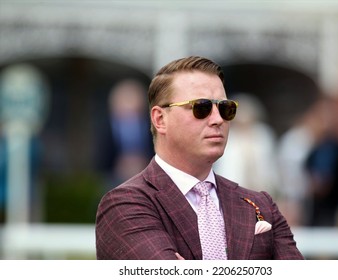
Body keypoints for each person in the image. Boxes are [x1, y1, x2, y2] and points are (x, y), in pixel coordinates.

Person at [95, 56, 304, 260]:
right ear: (160, 119)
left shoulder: (260, 205)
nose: (217, 119)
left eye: (225, 108)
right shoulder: (125, 205)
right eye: (201, 107)